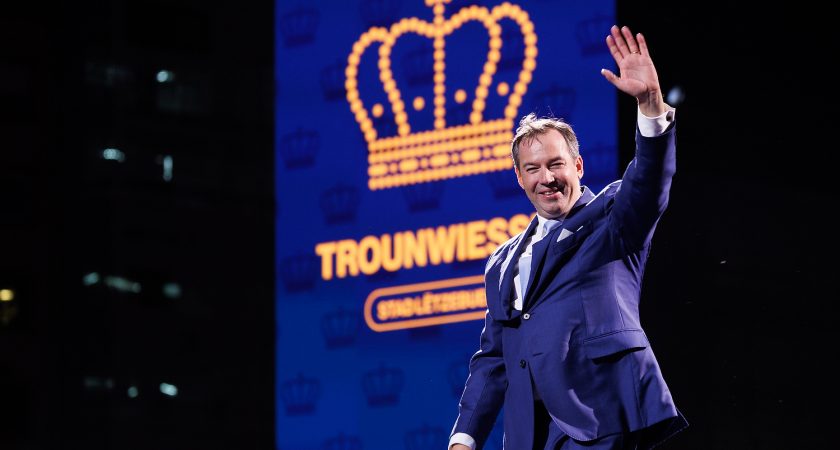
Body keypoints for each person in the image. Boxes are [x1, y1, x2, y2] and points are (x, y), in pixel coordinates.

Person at [448, 25, 688, 450]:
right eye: (533, 169)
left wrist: (650, 107)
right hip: (531, 437)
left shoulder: (611, 218)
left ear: (577, 166)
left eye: (556, 164)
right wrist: (464, 439)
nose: (547, 178)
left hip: (601, 418)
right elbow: (494, 359)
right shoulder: (503, 262)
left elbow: (649, 182)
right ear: (519, 178)